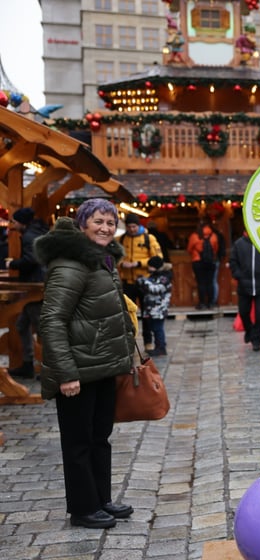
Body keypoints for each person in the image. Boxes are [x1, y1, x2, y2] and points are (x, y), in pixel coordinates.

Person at [33, 198, 135, 529]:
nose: (105, 228)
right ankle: (82, 508)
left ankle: (100, 499)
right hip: (77, 371)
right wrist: (65, 374)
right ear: (82, 225)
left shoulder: (101, 260)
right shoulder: (70, 264)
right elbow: (51, 320)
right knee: (78, 442)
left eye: (110, 222)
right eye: (98, 222)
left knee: (99, 437)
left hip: (102, 366)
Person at [7, 207, 49, 379]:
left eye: (15, 221)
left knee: (41, 329)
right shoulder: (37, 232)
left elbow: (32, 259)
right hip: (38, 283)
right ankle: (27, 363)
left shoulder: (30, 236)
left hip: (35, 286)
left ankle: (49, 369)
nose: (13, 224)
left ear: (22, 222)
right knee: (22, 325)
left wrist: (13, 263)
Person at [119, 213, 162, 350]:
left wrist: (138, 264)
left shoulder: (149, 238)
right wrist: (121, 264)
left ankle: (148, 342)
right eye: (129, 226)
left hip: (144, 281)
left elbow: (157, 258)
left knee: (146, 314)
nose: (132, 229)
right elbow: (116, 257)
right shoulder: (122, 239)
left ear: (138, 225)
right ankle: (130, 342)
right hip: (128, 282)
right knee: (128, 314)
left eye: (134, 226)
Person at [229, 231, 260, 351]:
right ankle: (249, 330)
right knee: (243, 312)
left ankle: (257, 340)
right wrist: (239, 275)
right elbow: (233, 261)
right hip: (244, 285)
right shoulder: (239, 244)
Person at [136, 256, 173, 357]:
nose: (148, 268)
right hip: (152, 309)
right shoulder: (154, 276)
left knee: (158, 328)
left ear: (155, 267)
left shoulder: (164, 277)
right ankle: (159, 347)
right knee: (154, 328)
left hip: (159, 309)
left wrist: (143, 281)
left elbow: (155, 289)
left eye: (150, 266)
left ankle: (161, 349)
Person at [187, 222, 219, 309]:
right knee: (210, 282)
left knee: (201, 283)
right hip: (210, 262)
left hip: (198, 261)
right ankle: (211, 303)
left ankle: (202, 303)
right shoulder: (213, 236)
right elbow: (215, 249)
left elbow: (189, 249)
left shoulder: (194, 236)